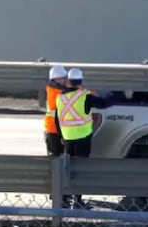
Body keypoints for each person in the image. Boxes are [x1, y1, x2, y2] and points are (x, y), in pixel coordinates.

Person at [54, 68, 110, 209]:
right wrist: (120, 96)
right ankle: (78, 201)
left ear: (68, 82)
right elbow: (104, 103)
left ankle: (64, 200)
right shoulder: (84, 96)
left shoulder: (60, 98)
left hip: (67, 138)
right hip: (83, 137)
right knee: (81, 169)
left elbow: (57, 120)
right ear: (81, 81)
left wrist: (61, 136)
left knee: (68, 168)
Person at [44, 65, 70, 207]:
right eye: (63, 78)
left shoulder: (56, 89)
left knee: (57, 161)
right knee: (57, 162)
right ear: (56, 79)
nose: (65, 80)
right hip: (55, 132)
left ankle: (58, 195)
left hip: (55, 130)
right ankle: (58, 196)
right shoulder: (56, 92)